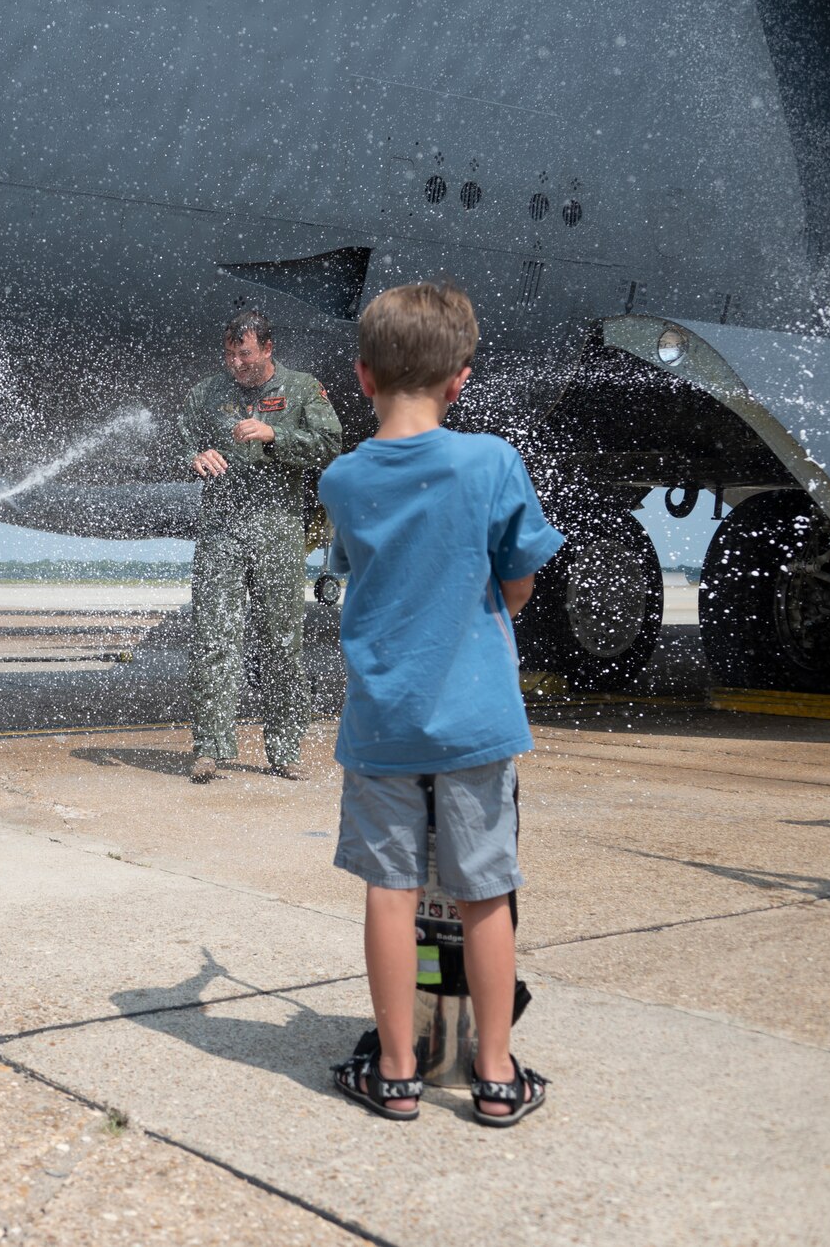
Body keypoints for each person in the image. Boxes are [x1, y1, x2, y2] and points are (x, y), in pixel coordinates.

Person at [317, 281, 559, 1127]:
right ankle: (494, 1076)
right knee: (483, 891)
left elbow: (361, 568)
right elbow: (520, 572)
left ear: (361, 377)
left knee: (390, 889)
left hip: (383, 720)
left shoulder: (341, 479)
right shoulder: (490, 461)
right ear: (460, 379)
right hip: (476, 719)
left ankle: (394, 1072)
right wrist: (489, 615)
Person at [178, 309, 343, 783]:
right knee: (213, 638)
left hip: (278, 530)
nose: (237, 364)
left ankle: (286, 748)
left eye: (245, 354)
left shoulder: (302, 388)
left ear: (267, 349)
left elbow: (331, 443)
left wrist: (276, 435)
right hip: (220, 531)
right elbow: (180, 438)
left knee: (282, 643)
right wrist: (194, 455)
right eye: (230, 355)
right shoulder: (206, 394)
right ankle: (209, 747)